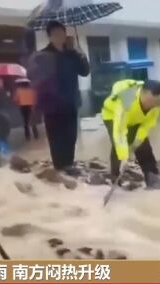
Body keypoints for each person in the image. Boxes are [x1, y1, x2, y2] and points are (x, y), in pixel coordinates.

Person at [37, 21, 90, 176]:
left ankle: (68, 164)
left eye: (62, 33)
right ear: (49, 36)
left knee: (71, 135)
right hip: (52, 104)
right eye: (55, 33)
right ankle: (59, 167)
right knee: (55, 136)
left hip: (71, 101)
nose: (59, 36)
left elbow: (85, 72)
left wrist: (81, 54)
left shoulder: (72, 54)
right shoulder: (43, 55)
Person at [101, 79, 160, 187]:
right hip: (112, 115)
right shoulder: (126, 100)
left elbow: (148, 124)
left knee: (144, 145)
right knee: (119, 145)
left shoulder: (158, 102)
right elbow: (120, 132)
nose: (151, 105)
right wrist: (124, 157)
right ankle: (116, 177)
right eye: (149, 101)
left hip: (136, 118)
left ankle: (151, 175)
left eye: (154, 101)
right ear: (142, 93)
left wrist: (137, 142)